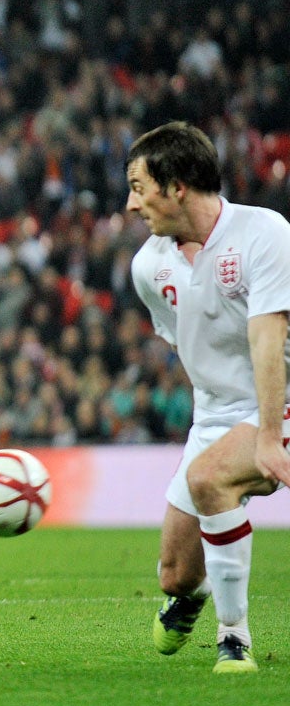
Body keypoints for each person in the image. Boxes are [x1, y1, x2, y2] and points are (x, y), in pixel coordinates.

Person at [128, 121, 290, 674]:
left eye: (138, 185)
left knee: (210, 477)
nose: (131, 204)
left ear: (175, 185)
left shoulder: (264, 233)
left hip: (280, 402)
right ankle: (194, 596)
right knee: (174, 574)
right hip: (215, 415)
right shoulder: (149, 267)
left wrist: (269, 435)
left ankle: (234, 638)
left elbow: (268, 334)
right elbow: (186, 341)